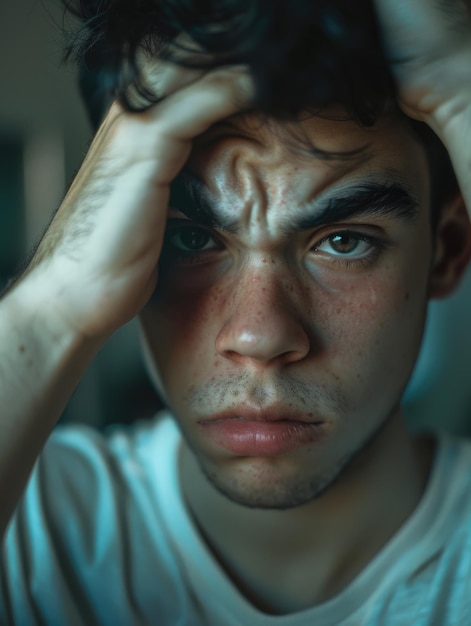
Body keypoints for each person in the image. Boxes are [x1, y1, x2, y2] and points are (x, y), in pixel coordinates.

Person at [1, 0, 471, 623]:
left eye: (343, 241)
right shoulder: (33, 526)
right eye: (191, 237)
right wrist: (50, 308)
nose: (259, 335)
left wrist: (463, 96)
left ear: (448, 251)